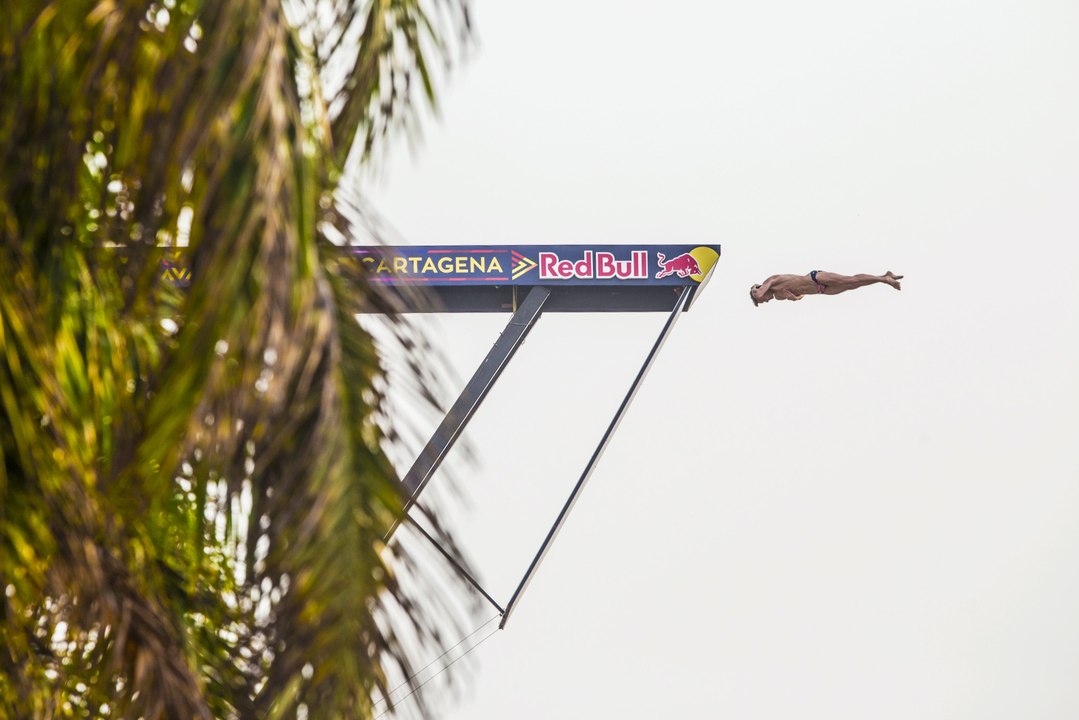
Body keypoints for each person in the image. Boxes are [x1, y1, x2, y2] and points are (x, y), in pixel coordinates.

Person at [750, 270, 902, 306]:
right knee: (854, 285)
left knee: (850, 280)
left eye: (764, 301)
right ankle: (884, 277)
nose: (765, 301)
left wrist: (754, 290)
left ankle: (885, 279)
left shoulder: (771, 281)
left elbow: (758, 293)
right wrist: (795, 297)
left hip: (815, 277)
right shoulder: (779, 296)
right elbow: (797, 297)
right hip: (820, 290)